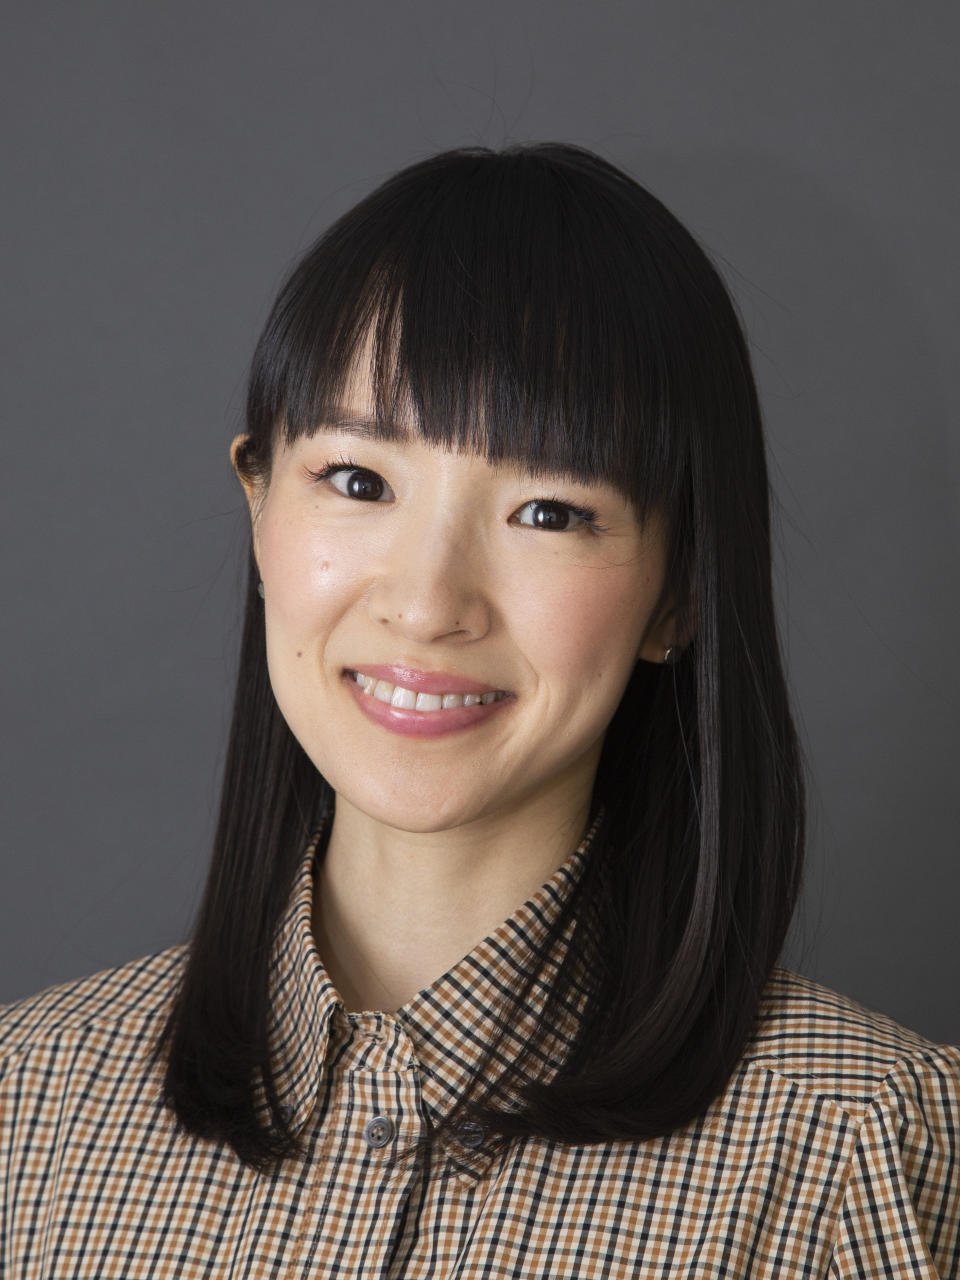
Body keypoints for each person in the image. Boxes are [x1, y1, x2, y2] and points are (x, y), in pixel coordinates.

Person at [1, 143, 957, 1279]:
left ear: (680, 593)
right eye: (358, 481)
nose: (425, 602)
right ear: (258, 507)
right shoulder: (29, 1105)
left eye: (550, 509)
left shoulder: (859, 1140)